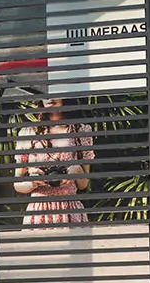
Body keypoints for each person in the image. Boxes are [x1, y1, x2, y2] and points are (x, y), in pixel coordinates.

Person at [12, 92, 93, 226]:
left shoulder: (81, 131)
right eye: (43, 94)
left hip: (69, 209)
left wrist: (76, 171)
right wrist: (33, 182)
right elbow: (17, 184)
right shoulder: (28, 133)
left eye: (53, 93)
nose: (49, 98)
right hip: (39, 211)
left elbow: (83, 185)